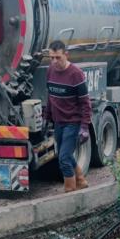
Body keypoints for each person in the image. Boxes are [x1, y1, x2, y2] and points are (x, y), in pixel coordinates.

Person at [46, 39, 92, 193]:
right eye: (51, 57)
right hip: (58, 122)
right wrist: (48, 116)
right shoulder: (50, 71)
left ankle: (70, 189)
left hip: (73, 122)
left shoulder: (76, 74)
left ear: (66, 54)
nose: (54, 61)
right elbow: (50, 95)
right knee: (63, 154)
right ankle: (80, 180)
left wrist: (84, 126)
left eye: (57, 57)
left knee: (64, 158)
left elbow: (85, 103)